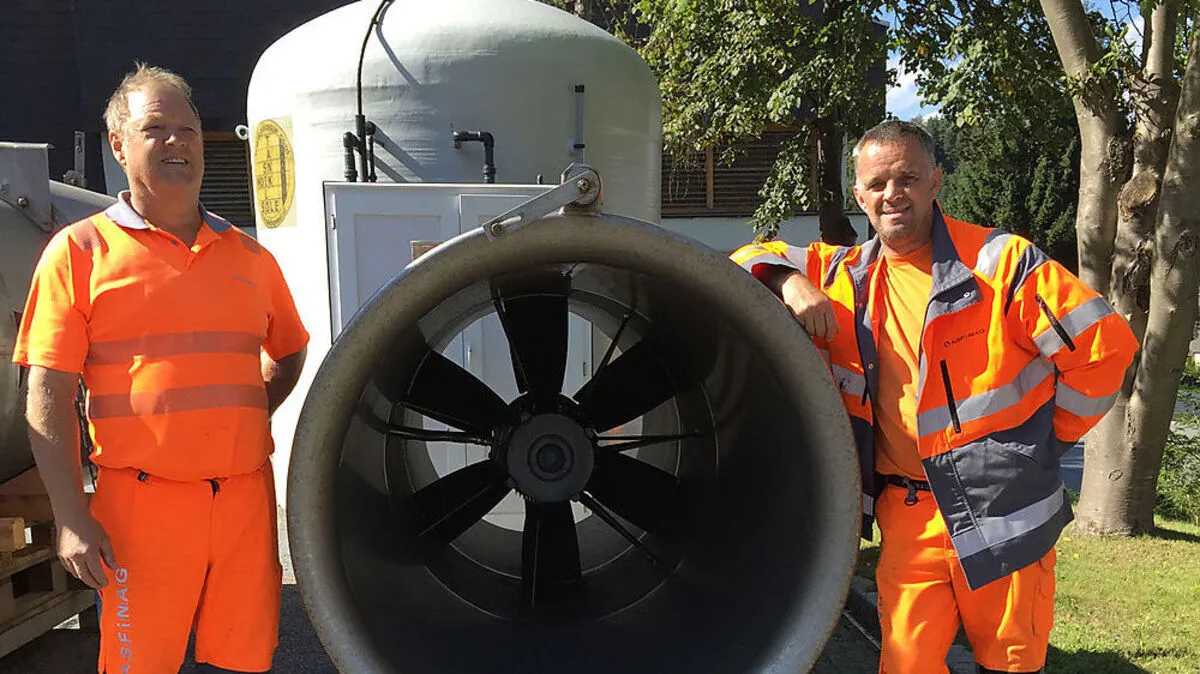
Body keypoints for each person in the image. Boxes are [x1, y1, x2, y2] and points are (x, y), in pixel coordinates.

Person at [731, 120, 1137, 674]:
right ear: (859, 196)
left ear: (935, 181)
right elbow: (737, 262)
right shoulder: (844, 274)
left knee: (1012, 663)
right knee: (906, 665)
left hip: (1005, 509)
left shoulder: (1002, 264)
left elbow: (1105, 349)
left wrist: (1043, 441)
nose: (891, 193)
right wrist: (786, 281)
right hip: (908, 514)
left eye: (907, 178)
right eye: (877, 183)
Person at [13, 63, 309, 674]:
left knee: (245, 660)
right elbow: (46, 389)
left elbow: (290, 350)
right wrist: (71, 518)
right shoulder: (80, 253)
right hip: (139, 510)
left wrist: (243, 414)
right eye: (156, 129)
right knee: (139, 666)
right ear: (118, 145)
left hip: (244, 503)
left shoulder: (251, 259)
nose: (178, 142)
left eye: (190, 129)